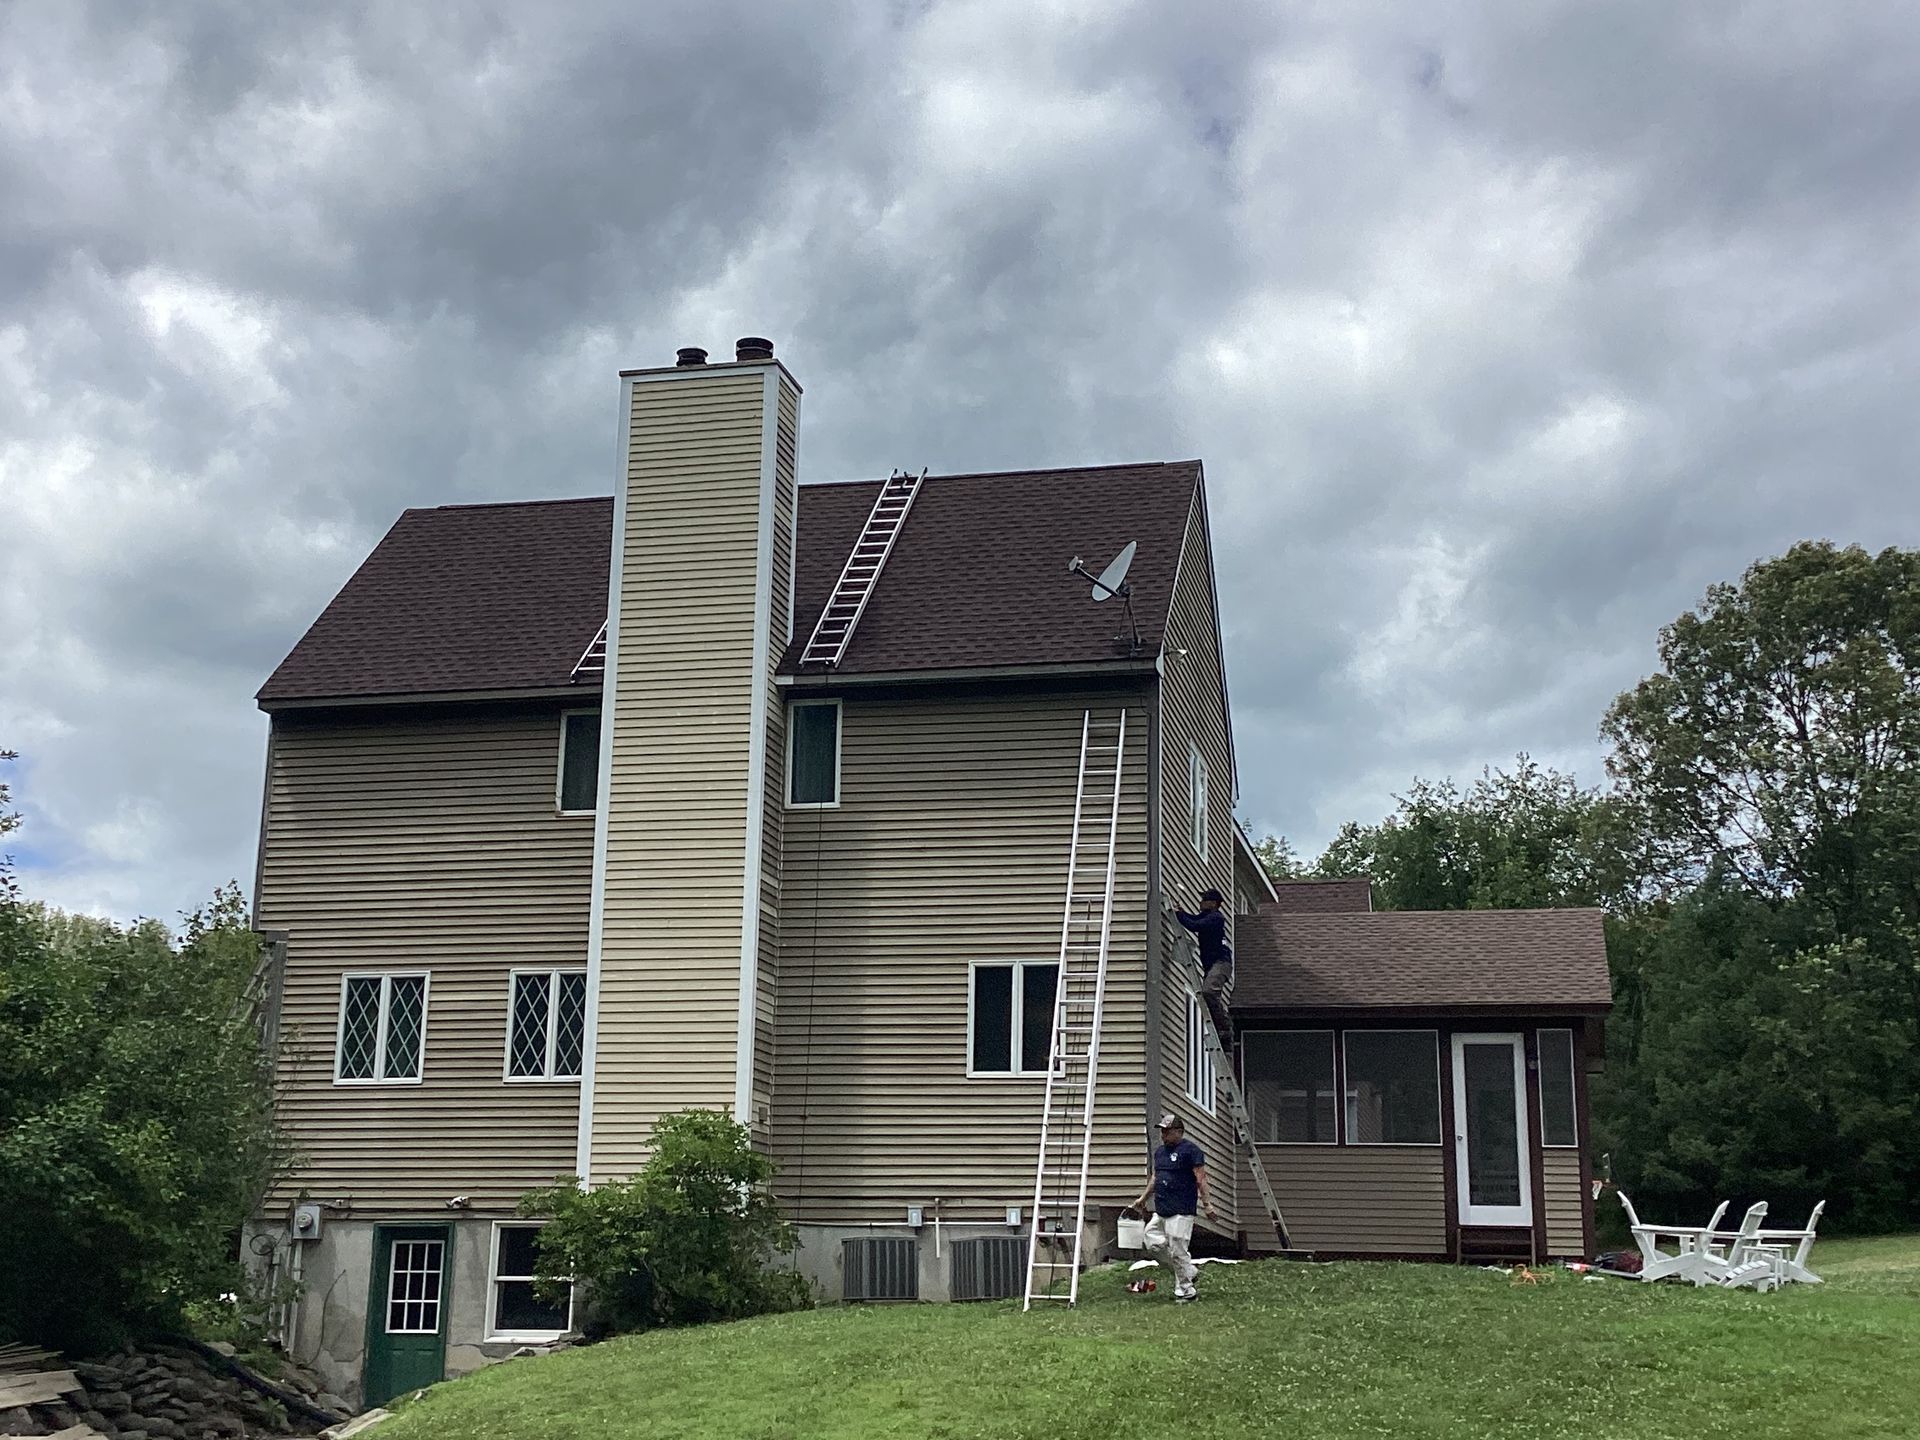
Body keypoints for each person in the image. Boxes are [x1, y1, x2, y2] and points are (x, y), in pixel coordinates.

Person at [1130, 1112, 1214, 1303]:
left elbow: (1201, 1178)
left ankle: (1186, 1291)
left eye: (1167, 1131)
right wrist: (1143, 1198)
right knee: (1153, 1243)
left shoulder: (1191, 1151)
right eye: (1162, 1131)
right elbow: (1155, 1177)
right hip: (1162, 1208)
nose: (1164, 1135)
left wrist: (1207, 1205)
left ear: (1179, 1132)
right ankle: (1189, 1271)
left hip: (1182, 1209)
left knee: (1178, 1249)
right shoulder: (1160, 1152)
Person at [1173, 887, 1232, 1037]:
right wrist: (1181, 912)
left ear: (1213, 903)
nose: (1201, 902)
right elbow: (1193, 919)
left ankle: (1224, 1025)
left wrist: (1180, 914)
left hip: (1221, 963)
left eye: (1204, 900)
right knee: (1207, 996)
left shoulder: (1216, 918)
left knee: (1209, 991)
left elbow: (1194, 926)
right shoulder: (1206, 916)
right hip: (1212, 964)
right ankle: (1219, 1027)